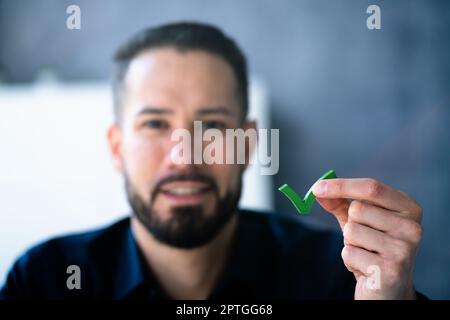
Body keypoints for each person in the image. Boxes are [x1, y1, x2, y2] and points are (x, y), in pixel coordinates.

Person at [0, 22, 424, 300]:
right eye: (154, 124)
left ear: (249, 143)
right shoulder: (45, 281)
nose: (184, 153)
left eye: (213, 126)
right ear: (116, 147)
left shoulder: (343, 273)